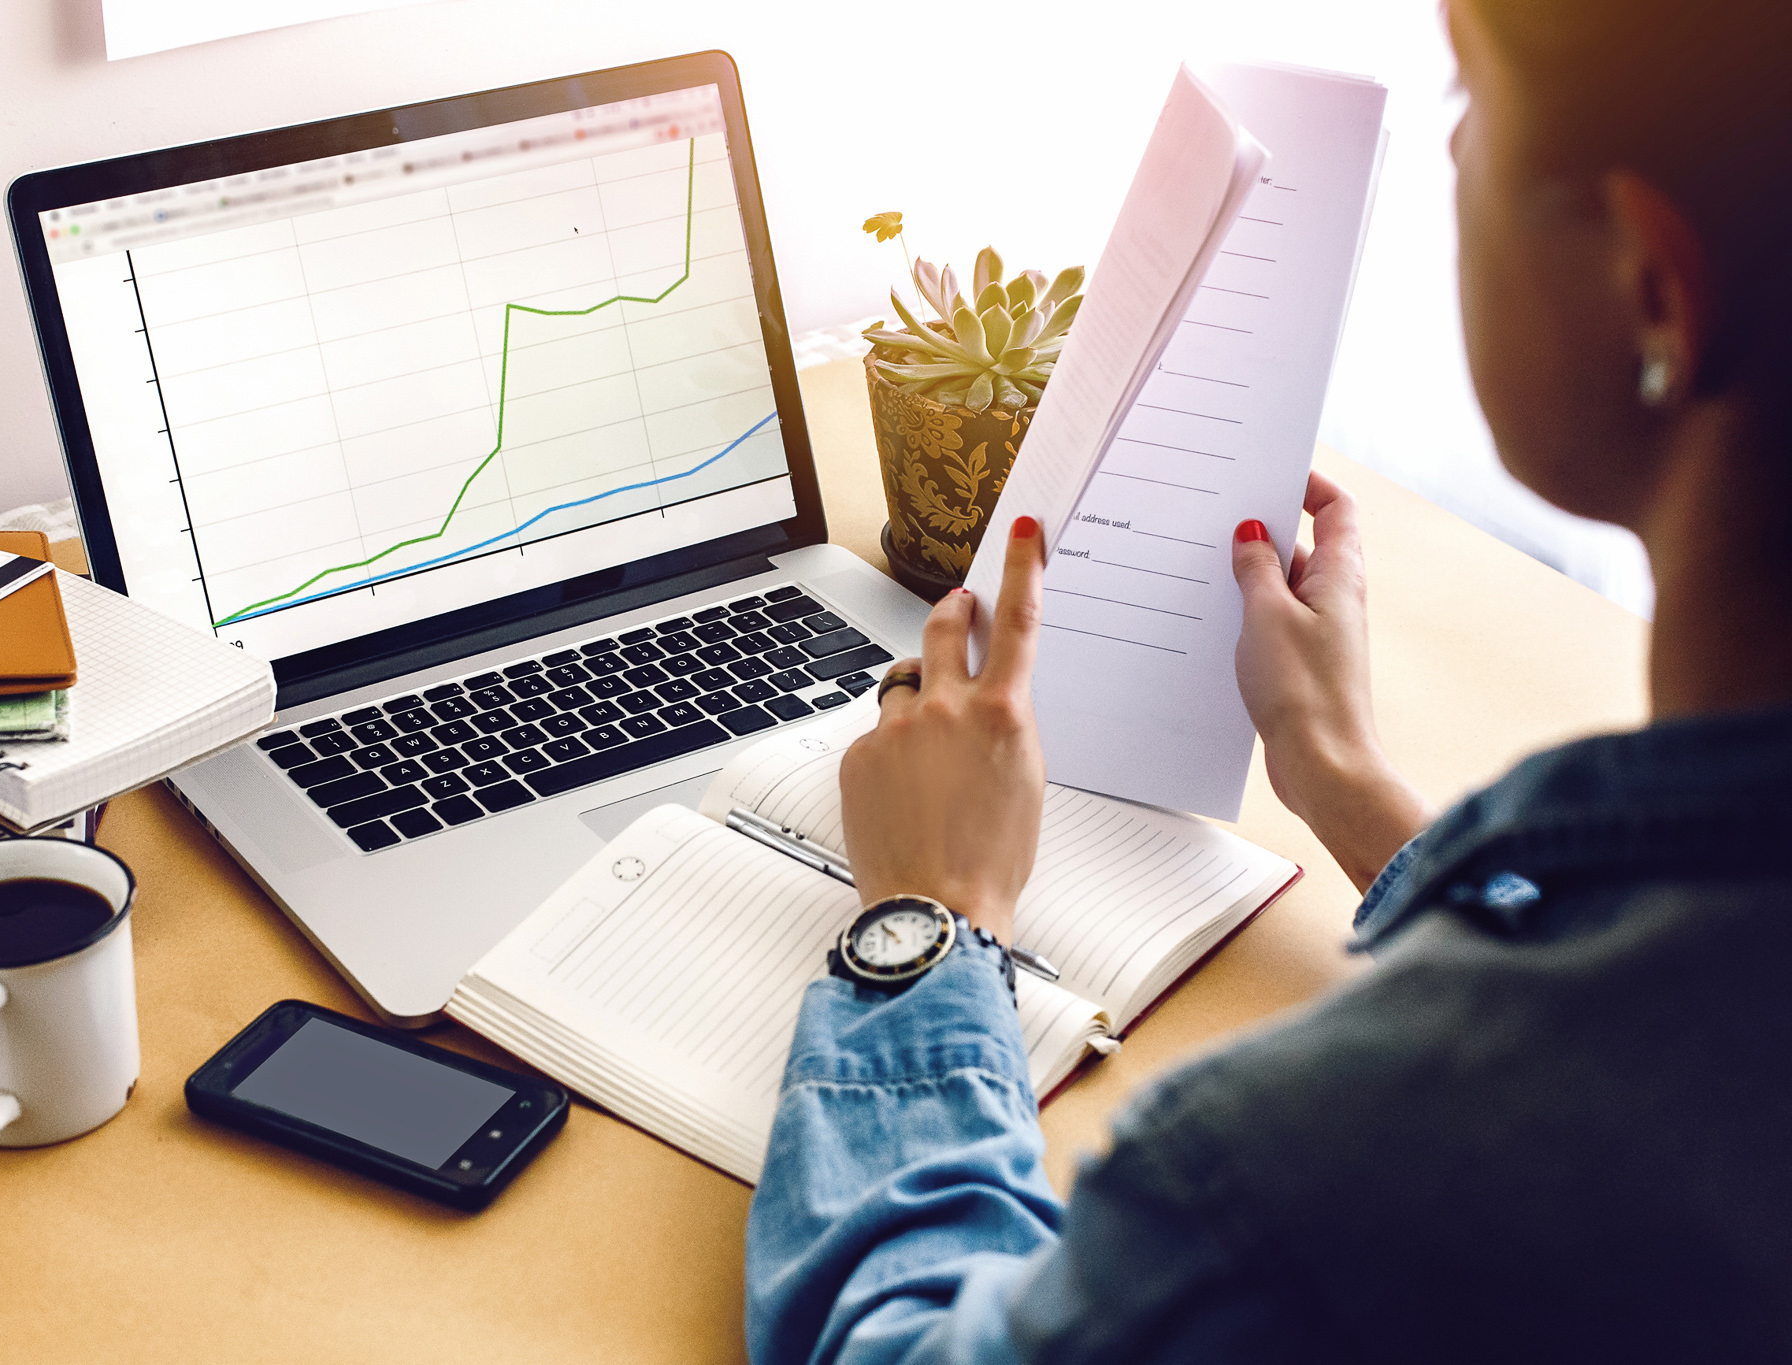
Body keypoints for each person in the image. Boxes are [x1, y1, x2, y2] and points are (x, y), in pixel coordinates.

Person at [745, 0, 1792, 1360]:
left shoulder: (1290, 1182)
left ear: (1652, 284)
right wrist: (1348, 782)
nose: (1452, 156)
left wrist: (928, 924)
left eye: (1467, 108)